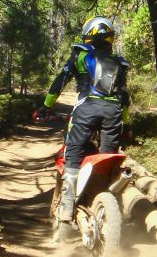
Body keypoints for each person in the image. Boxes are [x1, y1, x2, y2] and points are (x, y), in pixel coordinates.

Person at [38, 16, 130, 238]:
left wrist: (45, 107)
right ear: (109, 37)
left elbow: (60, 81)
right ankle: (110, 206)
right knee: (109, 161)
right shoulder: (120, 62)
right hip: (113, 113)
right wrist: (125, 124)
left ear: (88, 35)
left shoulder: (81, 56)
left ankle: (66, 215)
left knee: (73, 157)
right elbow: (124, 97)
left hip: (86, 110)